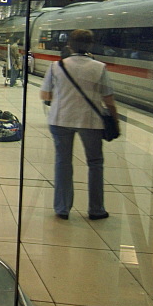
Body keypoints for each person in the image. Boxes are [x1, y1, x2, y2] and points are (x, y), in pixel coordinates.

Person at [39, 29, 119, 221]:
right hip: (90, 120)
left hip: (60, 119)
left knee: (63, 162)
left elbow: (45, 94)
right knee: (95, 163)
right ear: (90, 45)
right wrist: (114, 121)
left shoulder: (56, 66)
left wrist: (61, 97)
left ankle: (62, 208)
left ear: (69, 45)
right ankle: (96, 209)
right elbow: (108, 99)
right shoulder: (99, 67)